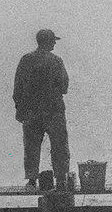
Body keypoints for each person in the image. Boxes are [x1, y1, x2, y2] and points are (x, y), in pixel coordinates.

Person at [13, 29, 70, 189]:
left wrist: (20, 109)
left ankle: (31, 180)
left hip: (31, 112)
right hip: (54, 111)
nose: (54, 44)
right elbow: (64, 87)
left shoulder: (26, 60)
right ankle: (61, 180)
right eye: (53, 41)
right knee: (59, 146)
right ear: (49, 42)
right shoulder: (56, 61)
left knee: (31, 147)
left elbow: (17, 88)